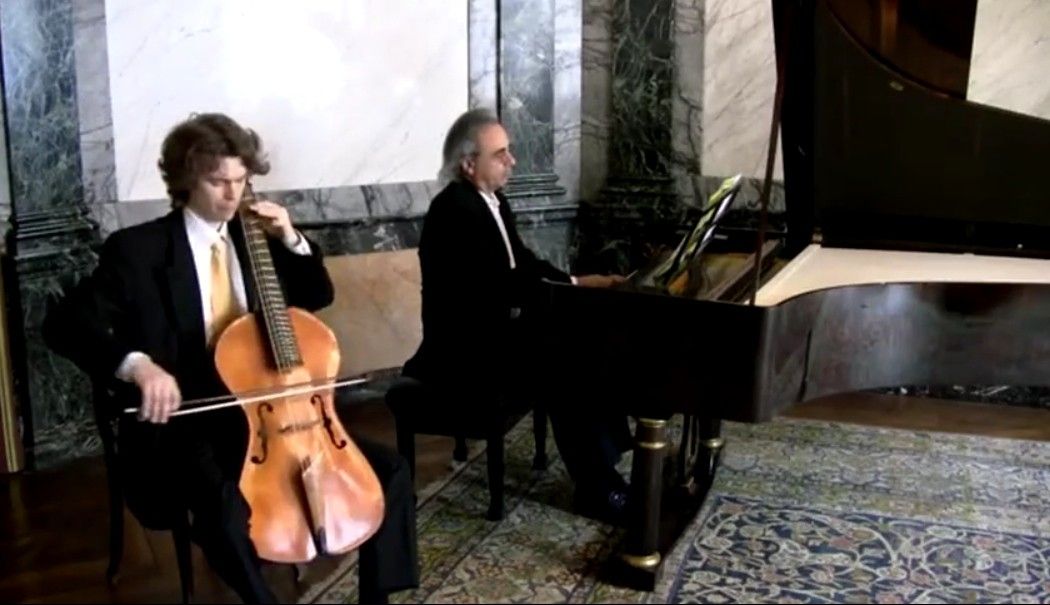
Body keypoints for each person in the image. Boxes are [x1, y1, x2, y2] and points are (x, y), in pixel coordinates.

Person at [43, 113, 418, 604]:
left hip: (271, 413)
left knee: (389, 471)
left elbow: (316, 295)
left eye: (240, 180)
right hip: (189, 420)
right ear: (184, 180)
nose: (232, 194)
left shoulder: (256, 237)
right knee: (225, 507)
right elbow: (65, 324)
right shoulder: (139, 250)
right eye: (217, 181)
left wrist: (291, 238)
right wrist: (139, 365)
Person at [399, 108, 633, 523]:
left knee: (584, 338)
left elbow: (522, 263)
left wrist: (578, 282)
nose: (512, 160)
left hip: (493, 330)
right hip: (461, 350)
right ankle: (598, 487)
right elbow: (496, 287)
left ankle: (606, 463)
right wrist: (564, 295)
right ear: (468, 164)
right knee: (564, 357)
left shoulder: (492, 200)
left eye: (509, 150)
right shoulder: (454, 211)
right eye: (500, 154)